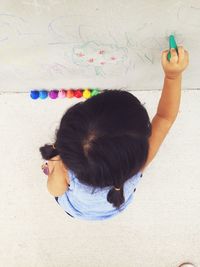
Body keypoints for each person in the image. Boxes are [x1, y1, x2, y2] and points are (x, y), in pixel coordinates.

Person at [40, 46, 189, 220]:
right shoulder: (135, 165)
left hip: (77, 210)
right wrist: (173, 75)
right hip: (114, 206)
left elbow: (54, 190)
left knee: (52, 167)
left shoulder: (65, 169)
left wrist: (56, 164)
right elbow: (164, 118)